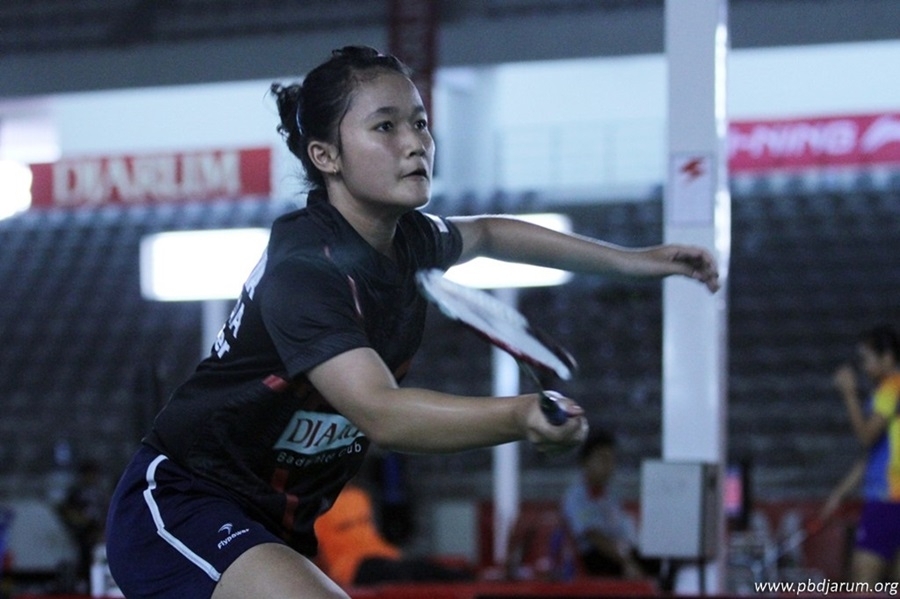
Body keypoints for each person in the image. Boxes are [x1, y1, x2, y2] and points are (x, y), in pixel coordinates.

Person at [104, 45, 719, 599]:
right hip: (180, 505)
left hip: (271, 524)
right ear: (325, 156)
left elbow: (491, 233)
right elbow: (383, 413)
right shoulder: (307, 274)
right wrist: (519, 416)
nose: (415, 142)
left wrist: (637, 263)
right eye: (385, 126)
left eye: (420, 122)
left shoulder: (411, 242)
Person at [821, 324, 900, 585]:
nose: (864, 367)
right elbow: (873, 455)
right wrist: (839, 494)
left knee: (862, 584)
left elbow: (866, 436)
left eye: (867, 359)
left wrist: (850, 394)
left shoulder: (891, 389)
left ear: (887, 358)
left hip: (887, 501)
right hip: (891, 499)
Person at [313, 482, 473, 588]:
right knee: (410, 574)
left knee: (421, 569)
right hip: (355, 568)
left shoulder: (358, 496)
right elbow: (314, 557)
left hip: (385, 556)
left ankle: (472, 581)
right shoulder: (316, 510)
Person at [560, 428, 655, 580]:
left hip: (620, 550)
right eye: (603, 459)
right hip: (597, 557)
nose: (609, 465)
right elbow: (594, 536)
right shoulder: (576, 497)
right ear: (585, 462)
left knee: (659, 559)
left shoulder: (610, 495)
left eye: (612, 460)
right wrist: (627, 562)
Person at [57, 459, 109, 592]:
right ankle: (82, 585)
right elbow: (66, 511)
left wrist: (102, 530)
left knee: (100, 561)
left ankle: (99, 586)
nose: (92, 477)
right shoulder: (76, 492)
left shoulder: (101, 493)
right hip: (81, 535)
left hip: (99, 534)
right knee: (83, 561)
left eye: (94, 474)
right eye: (89, 474)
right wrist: (80, 520)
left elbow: (107, 512)